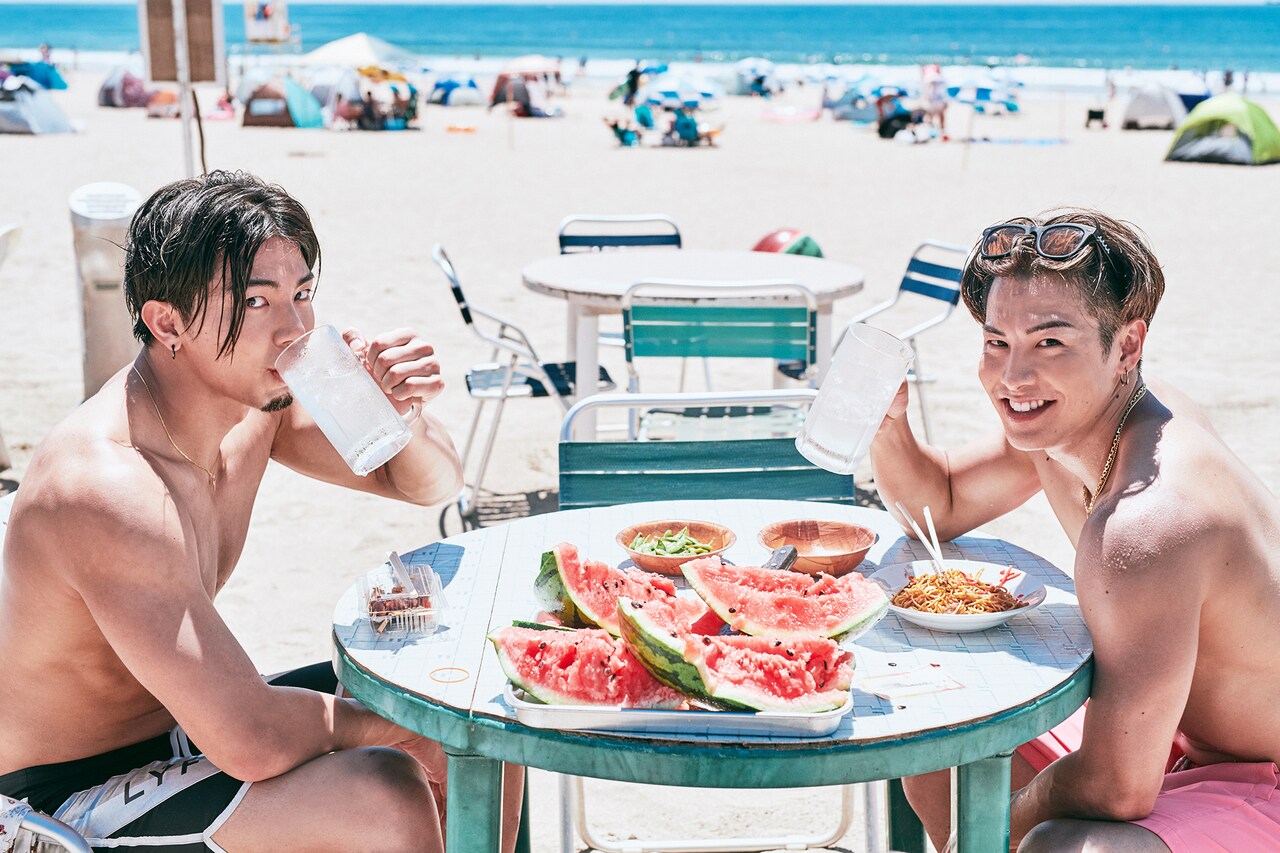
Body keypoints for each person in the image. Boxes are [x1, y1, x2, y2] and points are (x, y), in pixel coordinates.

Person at [0, 171, 524, 852]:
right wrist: (392, 726)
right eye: (256, 300)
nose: (296, 327)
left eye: (302, 293)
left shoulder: (252, 410)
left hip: (181, 728)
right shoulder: (108, 487)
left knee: (481, 720)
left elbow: (427, 482)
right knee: (385, 792)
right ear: (167, 322)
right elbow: (249, 739)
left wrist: (398, 414)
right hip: (59, 793)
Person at [872, 209, 1280, 851]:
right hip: (1168, 733)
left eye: (1050, 342)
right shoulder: (1080, 423)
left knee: (1056, 847)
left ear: (1127, 345)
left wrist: (996, 820)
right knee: (937, 744)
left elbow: (1120, 787)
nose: (1013, 378)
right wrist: (886, 423)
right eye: (996, 342)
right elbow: (942, 501)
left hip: (1262, 778)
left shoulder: (1147, 523)